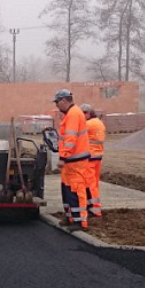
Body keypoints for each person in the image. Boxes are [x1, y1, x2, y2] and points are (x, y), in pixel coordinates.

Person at [53, 89, 91, 231]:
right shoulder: (70, 114)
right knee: (67, 189)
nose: (56, 106)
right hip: (72, 160)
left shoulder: (74, 114)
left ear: (64, 100)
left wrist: (63, 157)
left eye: (57, 102)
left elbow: (70, 139)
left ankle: (80, 221)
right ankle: (71, 217)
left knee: (76, 189)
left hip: (75, 160)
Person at [81, 103, 106, 218]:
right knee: (94, 183)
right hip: (98, 156)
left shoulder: (88, 124)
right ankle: (92, 206)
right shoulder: (99, 123)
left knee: (90, 184)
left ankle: (95, 209)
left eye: (83, 114)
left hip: (90, 157)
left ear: (88, 113)